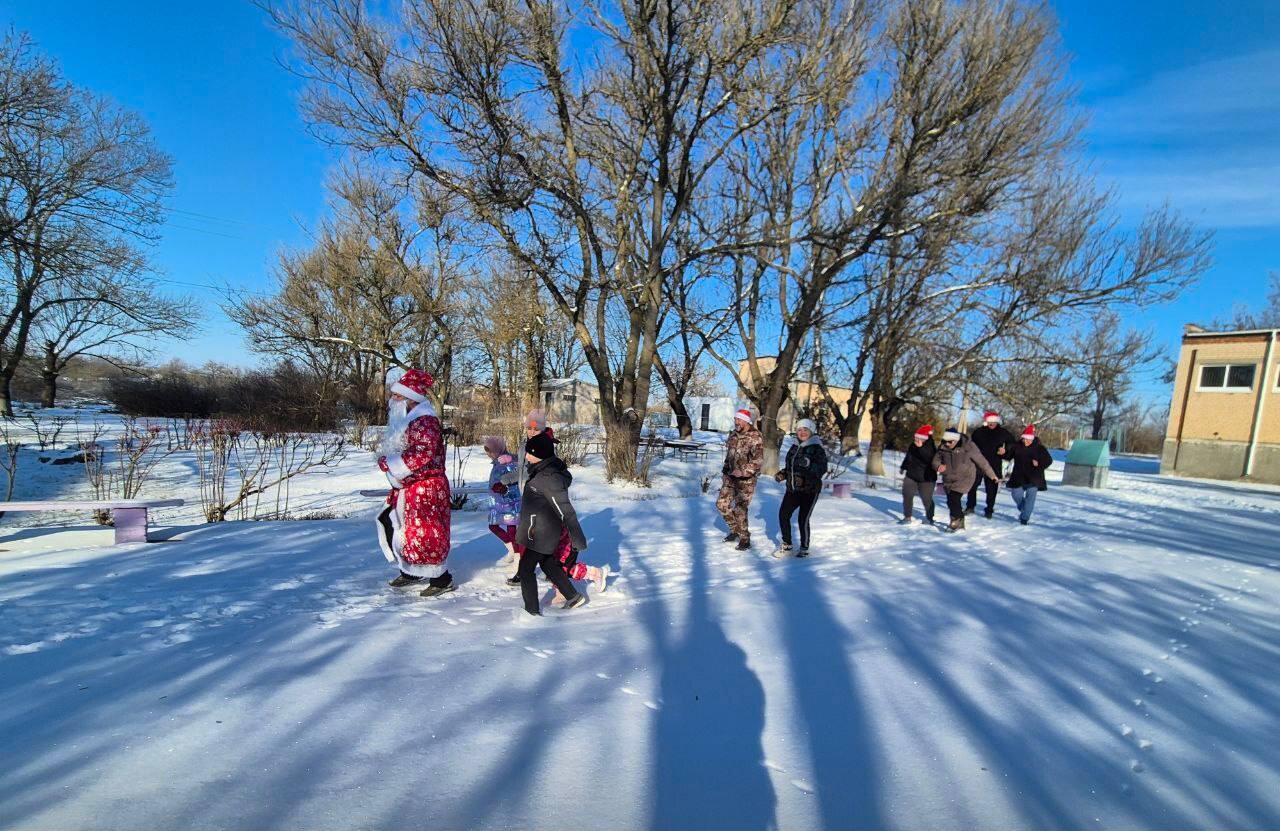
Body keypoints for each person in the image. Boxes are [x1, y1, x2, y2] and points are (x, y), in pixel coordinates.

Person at [375, 368, 454, 596]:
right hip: (412, 487)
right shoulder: (411, 419)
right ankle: (411, 570)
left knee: (428, 534)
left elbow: (423, 453)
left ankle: (441, 579)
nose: (392, 400)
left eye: (397, 396)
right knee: (407, 532)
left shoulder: (425, 421)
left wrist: (391, 463)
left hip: (427, 489)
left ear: (411, 397)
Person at [514, 431, 589, 616]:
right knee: (547, 563)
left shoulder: (548, 478)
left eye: (530, 452)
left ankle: (531, 611)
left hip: (543, 533)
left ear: (540, 454)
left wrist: (577, 538)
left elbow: (565, 510)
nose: (526, 456)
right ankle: (573, 596)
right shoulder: (541, 470)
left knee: (525, 569)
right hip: (538, 529)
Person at [773, 419, 827, 557]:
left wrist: (809, 464)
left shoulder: (817, 448)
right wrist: (783, 474)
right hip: (792, 489)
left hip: (810, 490)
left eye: (805, 430)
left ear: (811, 431)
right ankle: (787, 544)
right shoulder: (794, 446)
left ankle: (804, 547)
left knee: (803, 519)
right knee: (783, 515)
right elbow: (790, 467)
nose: (802, 432)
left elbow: (822, 469)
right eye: (799, 430)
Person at [932, 426, 998, 532]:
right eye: (945, 441)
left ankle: (956, 521)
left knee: (954, 498)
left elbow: (982, 461)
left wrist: (992, 475)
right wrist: (938, 466)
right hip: (948, 478)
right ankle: (958, 521)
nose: (947, 444)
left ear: (956, 440)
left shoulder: (968, 446)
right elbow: (935, 460)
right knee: (951, 501)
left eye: (950, 442)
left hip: (965, 478)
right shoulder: (943, 447)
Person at [717, 408, 764, 551]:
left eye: (739, 420)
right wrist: (725, 471)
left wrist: (743, 471)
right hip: (730, 478)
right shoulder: (733, 435)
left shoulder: (755, 437)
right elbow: (729, 456)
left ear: (746, 421)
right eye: (735, 419)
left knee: (740, 509)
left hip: (746, 481)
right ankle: (735, 530)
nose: (736, 422)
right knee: (721, 504)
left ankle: (745, 538)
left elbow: (758, 461)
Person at [967, 410, 1015, 518]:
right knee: (972, 485)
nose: (991, 424)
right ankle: (970, 506)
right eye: (989, 422)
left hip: (994, 463)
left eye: (993, 422)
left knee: (992, 488)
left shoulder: (1003, 432)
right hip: (978, 463)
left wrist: (1005, 450)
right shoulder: (979, 432)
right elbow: (971, 445)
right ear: (986, 422)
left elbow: (1012, 444)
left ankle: (989, 509)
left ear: (997, 422)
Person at [1005, 424, 1054, 525]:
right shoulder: (1017, 446)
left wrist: (1039, 464)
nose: (1027, 441)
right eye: (1025, 439)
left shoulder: (1039, 448)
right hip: (1018, 477)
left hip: (1034, 478)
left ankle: (1024, 518)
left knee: (1030, 500)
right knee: (1016, 495)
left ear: (1032, 439)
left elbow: (1049, 460)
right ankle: (1024, 509)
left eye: (1029, 440)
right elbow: (1008, 456)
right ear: (1022, 438)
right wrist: (1003, 453)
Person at [484, 436, 522, 564]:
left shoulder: (508, 461)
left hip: (510, 502)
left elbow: (514, 479)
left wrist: (504, 488)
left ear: (497, 449)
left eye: (490, 451)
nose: (488, 454)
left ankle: (518, 556)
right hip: (498, 502)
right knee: (493, 526)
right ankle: (512, 550)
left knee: (512, 530)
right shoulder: (497, 461)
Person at [899, 424, 937, 525]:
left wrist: (921, 448)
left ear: (924, 438)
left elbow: (929, 458)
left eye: (918, 438)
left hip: (927, 478)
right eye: (915, 437)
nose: (915, 439)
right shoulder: (913, 445)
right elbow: (908, 457)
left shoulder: (931, 446)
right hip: (911, 475)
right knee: (907, 494)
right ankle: (907, 517)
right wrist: (903, 466)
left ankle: (930, 517)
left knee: (926, 499)